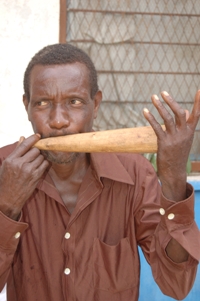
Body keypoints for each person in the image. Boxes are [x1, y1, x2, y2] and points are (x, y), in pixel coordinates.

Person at [0, 43, 199, 301]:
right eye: (42, 103)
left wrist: (173, 178)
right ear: (27, 106)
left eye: (74, 102)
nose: (58, 120)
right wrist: (6, 206)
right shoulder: (4, 168)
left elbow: (176, 284)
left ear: (95, 104)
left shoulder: (135, 173)